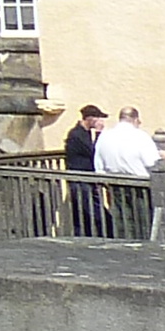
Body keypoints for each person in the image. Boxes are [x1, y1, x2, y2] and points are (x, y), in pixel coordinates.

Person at [92, 105, 161, 236]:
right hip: (139, 184)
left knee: (121, 222)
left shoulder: (105, 136)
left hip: (114, 183)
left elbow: (98, 163)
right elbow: (152, 162)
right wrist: (162, 157)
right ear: (135, 120)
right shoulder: (140, 136)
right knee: (142, 223)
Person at [60, 101, 106, 236]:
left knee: (85, 215)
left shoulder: (83, 133)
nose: (99, 121)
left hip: (85, 180)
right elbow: (93, 152)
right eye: (97, 118)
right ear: (90, 118)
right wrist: (99, 134)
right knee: (92, 214)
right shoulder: (77, 135)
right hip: (80, 181)